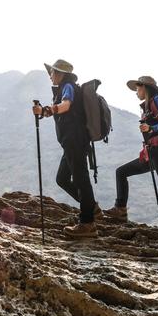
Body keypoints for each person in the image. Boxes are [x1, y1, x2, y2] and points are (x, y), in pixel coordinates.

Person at [103, 76, 158, 240]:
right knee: (124, 173)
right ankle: (120, 210)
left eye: (137, 88)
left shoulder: (157, 100)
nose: (136, 92)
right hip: (156, 152)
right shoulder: (149, 105)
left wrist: (152, 128)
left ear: (144, 87)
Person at [33, 60, 100, 239]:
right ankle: (91, 207)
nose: (50, 75)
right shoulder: (65, 86)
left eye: (52, 72)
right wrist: (45, 111)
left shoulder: (68, 86)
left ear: (60, 73)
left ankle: (87, 223)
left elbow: (66, 105)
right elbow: (63, 108)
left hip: (75, 140)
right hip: (71, 142)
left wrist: (47, 109)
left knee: (81, 178)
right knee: (62, 178)